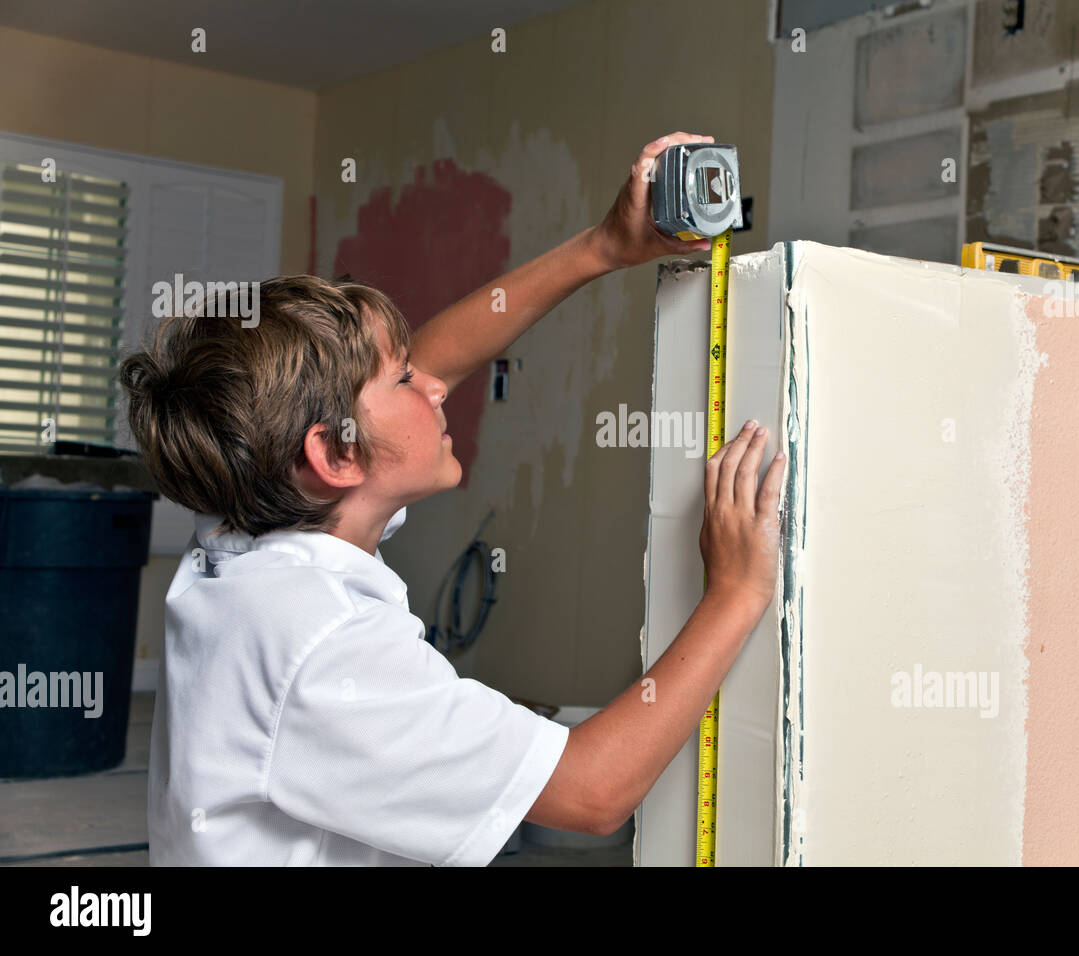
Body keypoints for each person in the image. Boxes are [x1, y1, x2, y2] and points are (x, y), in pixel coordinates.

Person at [119, 131, 785, 865]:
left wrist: (604, 246)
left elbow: (437, 357)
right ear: (336, 454)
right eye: (401, 380)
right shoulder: (326, 648)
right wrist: (736, 590)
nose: (433, 386)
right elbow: (592, 793)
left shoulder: (246, 518)